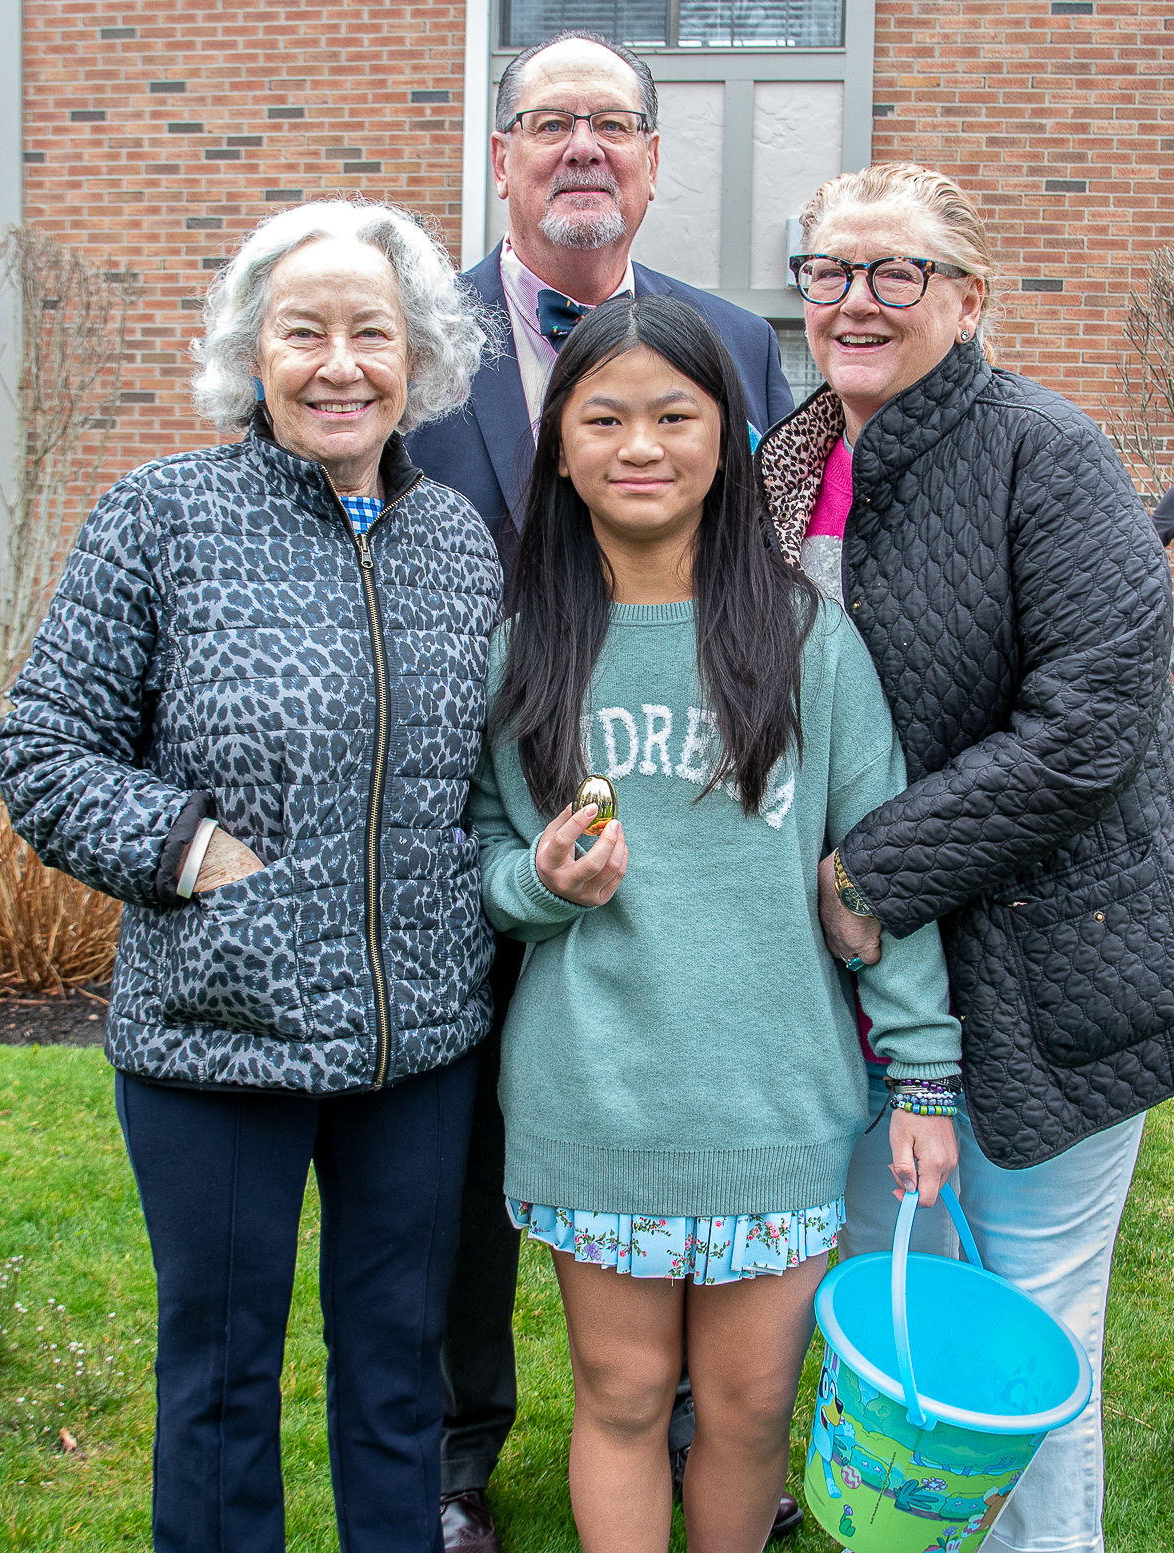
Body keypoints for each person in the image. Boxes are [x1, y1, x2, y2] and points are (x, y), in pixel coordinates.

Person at [0, 200, 503, 1553]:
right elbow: (41, 748)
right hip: (218, 1039)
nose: (340, 364)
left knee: (400, 1367)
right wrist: (196, 856)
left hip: (420, 1046)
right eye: (304, 331)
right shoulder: (161, 517)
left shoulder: (456, 539)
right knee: (220, 1379)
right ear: (250, 353)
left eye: (372, 333)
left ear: (420, 360)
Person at [467, 293, 962, 1553]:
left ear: (725, 438)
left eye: (675, 415)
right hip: (599, 1095)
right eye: (607, 417)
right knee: (625, 1394)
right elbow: (484, 864)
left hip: (774, 1096)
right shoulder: (525, 652)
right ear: (562, 448)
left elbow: (880, 862)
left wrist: (924, 1073)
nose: (642, 444)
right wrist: (544, 880)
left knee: (745, 1411)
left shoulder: (807, 638)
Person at [404, 29, 797, 1551]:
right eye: (548, 122)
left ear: (649, 159)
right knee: (459, 1172)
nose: (582, 148)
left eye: (611, 126)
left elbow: (754, 562)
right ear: (499, 155)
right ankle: (455, 1455)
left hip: (672, 811)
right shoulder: (408, 329)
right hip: (456, 807)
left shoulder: (731, 340)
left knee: (663, 1098)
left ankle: (697, 1433)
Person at [756, 162, 1174, 1553]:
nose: (854, 299)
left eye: (896, 272)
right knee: (895, 1312)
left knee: (1026, 1326)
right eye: (828, 270)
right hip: (863, 990)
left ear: (970, 297)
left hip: (1052, 967)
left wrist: (870, 873)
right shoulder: (789, 462)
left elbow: (1090, 729)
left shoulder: (1040, 450)